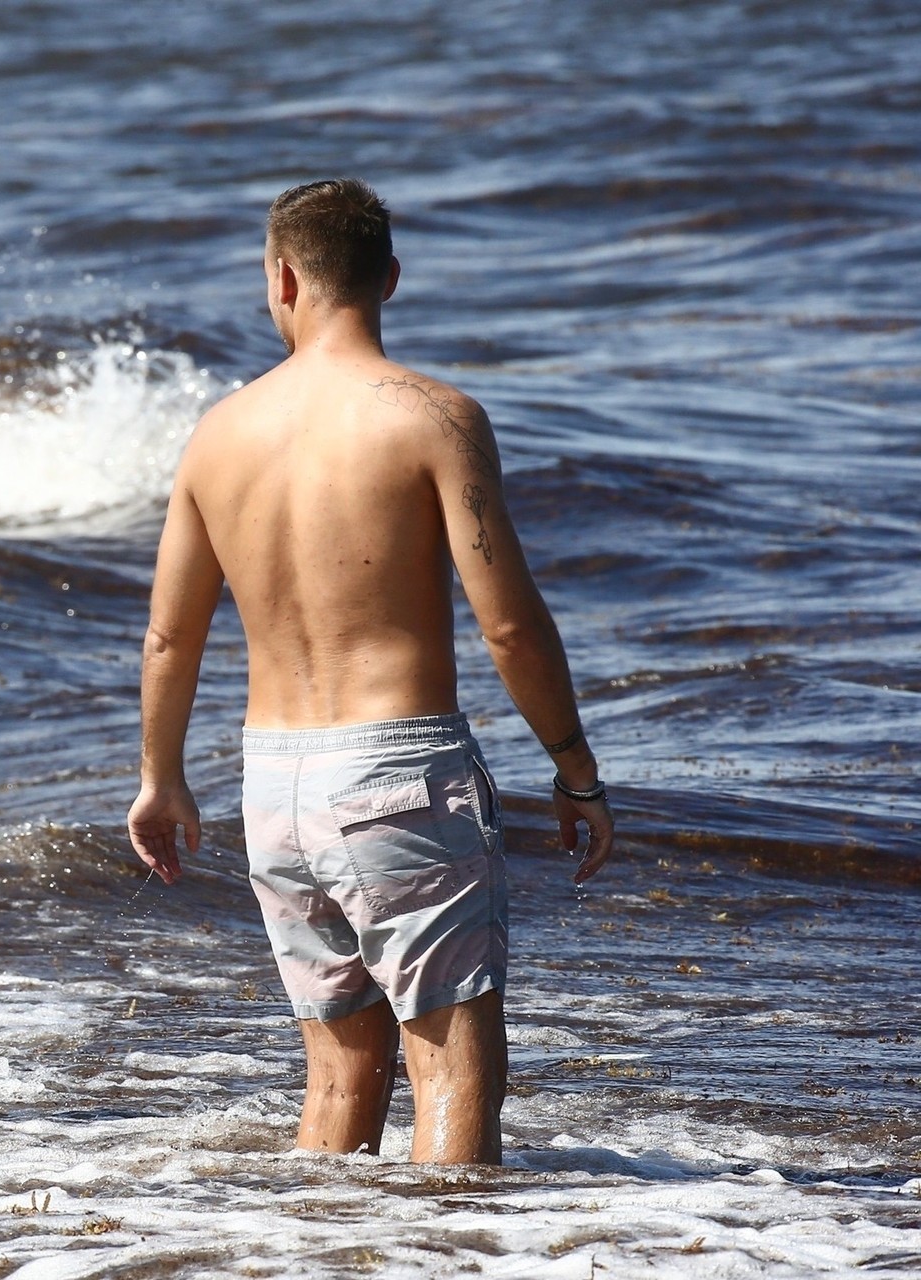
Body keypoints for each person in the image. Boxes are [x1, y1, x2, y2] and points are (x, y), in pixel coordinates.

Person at [127, 179, 615, 1165]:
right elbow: (510, 625)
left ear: (282, 278)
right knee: (453, 1068)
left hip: (273, 787)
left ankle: (323, 1239)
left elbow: (170, 638)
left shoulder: (218, 434)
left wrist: (161, 776)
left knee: (341, 1074)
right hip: (397, 775)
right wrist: (575, 768)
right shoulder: (435, 416)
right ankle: (449, 1241)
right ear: (390, 277)